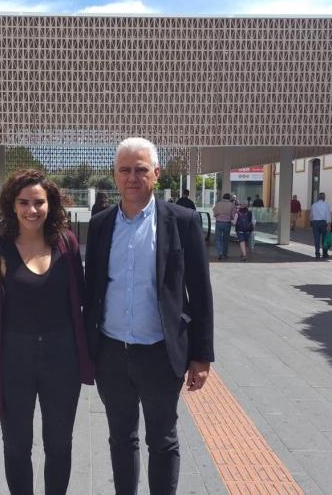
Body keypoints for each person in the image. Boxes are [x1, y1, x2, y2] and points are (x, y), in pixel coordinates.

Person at [84, 137, 214, 495]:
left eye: (140, 170)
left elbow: (200, 293)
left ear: (156, 173)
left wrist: (201, 356)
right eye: (124, 170)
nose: (132, 177)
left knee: (162, 439)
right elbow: (92, 290)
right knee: (121, 438)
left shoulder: (182, 222)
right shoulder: (100, 225)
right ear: (114, 174)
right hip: (111, 353)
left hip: (161, 353)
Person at [0, 169, 94, 495]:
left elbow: (79, 293)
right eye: (23, 202)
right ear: (11, 206)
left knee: (60, 444)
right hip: (14, 356)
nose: (31, 210)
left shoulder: (66, 244)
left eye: (39, 202)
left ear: (50, 204)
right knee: (16, 445)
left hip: (63, 356)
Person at [213, 193, 235, 260]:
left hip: (219, 222)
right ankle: (225, 254)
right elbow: (233, 215)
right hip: (227, 223)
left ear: (223, 197)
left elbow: (214, 212)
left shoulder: (218, 204)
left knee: (218, 238)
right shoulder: (231, 204)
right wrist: (230, 218)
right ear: (229, 198)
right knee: (226, 239)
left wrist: (218, 216)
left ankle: (219, 252)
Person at [310, 192, 330, 259]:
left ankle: (317, 253)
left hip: (315, 223)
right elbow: (328, 215)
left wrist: (311, 221)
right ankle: (324, 253)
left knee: (317, 239)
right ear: (324, 198)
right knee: (324, 239)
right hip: (323, 223)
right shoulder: (326, 205)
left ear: (318, 197)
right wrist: (328, 224)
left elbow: (311, 215)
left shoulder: (314, 205)